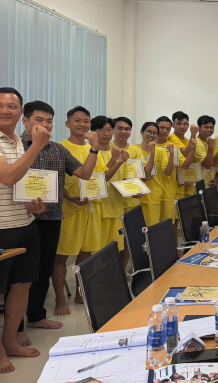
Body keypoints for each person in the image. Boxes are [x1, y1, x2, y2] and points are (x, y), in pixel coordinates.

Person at [15, 101, 97, 334]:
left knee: (44, 267)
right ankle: (16, 328)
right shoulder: (15, 145)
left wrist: (94, 149)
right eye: (39, 120)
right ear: (25, 121)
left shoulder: (58, 150)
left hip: (51, 217)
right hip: (21, 218)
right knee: (19, 274)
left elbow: (84, 173)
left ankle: (36, 315)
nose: (45, 125)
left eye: (48, 121)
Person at [0, 88, 49, 374]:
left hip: (24, 223)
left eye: (11, 106)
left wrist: (31, 203)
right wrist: (37, 145)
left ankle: (9, 340)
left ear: (20, 112)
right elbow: (7, 176)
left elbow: (19, 183)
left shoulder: (17, 142)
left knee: (23, 284)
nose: (5, 110)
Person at [52, 106, 101, 315]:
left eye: (86, 121)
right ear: (67, 123)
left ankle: (81, 293)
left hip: (90, 209)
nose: (82, 124)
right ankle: (60, 299)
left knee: (85, 254)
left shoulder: (93, 148)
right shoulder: (60, 148)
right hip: (68, 209)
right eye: (77, 120)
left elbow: (97, 178)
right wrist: (70, 197)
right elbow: (54, 180)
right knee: (61, 257)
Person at [90, 117, 132, 269]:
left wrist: (135, 191)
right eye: (102, 130)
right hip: (98, 210)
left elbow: (125, 179)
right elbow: (98, 180)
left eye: (109, 129)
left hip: (116, 207)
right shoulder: (92, 153)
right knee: (97, 252)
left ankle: (112, 278)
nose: (106, 133)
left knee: (114, 249)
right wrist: (115, 160)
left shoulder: (120, 153)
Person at [134, 122, 174, 226]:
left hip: (153, 196)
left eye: (155, 133)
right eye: (149, 132)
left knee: (151, 229)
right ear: (142, 132)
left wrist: (172, 154)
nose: (152, 135)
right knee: (136, 230)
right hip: (136, 196)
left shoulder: (160, 151)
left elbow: (168, 172)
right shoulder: (134, 149)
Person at [112, 117, 147, 213]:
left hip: (132, 200)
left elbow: (140, 174)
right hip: (112, 201)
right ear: (113, 130)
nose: (123, 132)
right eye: (120, 128)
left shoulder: (135, 150)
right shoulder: (107, 148)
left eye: (127, 129)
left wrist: (138, 189)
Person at [155, 116, 178, 223]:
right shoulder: (147, 146)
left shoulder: (173, 147)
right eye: (162, 127)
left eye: (168, 129)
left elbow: (182, 166)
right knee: (151, 225)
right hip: (151, 193)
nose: (164, 131)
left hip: (168, 192)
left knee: (168, 225)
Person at [193, 115, 216, 187]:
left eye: (211, 127)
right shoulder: (196, 143)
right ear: (199, 128)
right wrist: (211, 147)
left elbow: (215, 163)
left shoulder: (210, 141)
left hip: (210, 183)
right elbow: (207, 165)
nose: (209, 130)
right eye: (206, 127)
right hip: (198, 185)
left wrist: (216, 177)